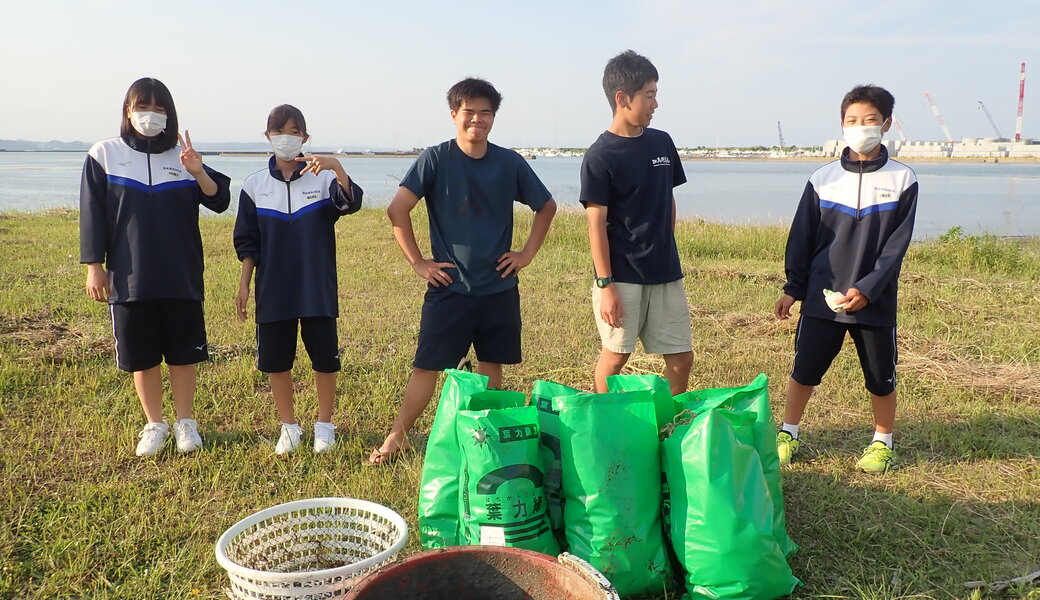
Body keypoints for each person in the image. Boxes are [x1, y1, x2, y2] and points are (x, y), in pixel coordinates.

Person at [368, 78, 557, 465]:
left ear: (493, 118)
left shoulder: (509, 162)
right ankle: (397, 436)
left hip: (499, 287)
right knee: (427, 366)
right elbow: (397, 210)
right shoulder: (435, 159)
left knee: (491, 365)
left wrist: (526, 254)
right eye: (468, 111)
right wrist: (418, 262)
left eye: (485, 112)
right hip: (449, 288)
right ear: (454, 115)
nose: (477, 119)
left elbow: (546, 207)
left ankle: (482, 438)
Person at [80, 77, 231, 456]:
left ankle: (185, 424)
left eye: (160, 109)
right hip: (129, 278)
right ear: (128, 112)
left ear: (171, 115)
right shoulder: (104, 154)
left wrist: (198, 171)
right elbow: (92, 215)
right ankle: (155, 424)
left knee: (184, 353)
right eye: (142, 107)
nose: (151, 115)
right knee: (142, 357)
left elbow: (219, 200)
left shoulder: (182, 157)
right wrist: (93, 266)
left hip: (180, 274)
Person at [774, 84, 918, 474]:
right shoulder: (822, 178)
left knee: (880, 375)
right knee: (805, 368)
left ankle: (882, 441)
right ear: (842, 125)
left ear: (886, 124)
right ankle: (788, 433)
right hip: (823, 298)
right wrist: (793, 288)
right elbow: (801, 238)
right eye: (852, 121)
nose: (861, 127)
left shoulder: (902, 179)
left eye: (870, 120)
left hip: (875, 301)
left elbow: (895, 248)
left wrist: (868, 289)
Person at [234, 105, 363, 454]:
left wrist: (337, 167)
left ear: (305, 138)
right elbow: (249, 242)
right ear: (268, 136)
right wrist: (244, 284)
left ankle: (324, 424)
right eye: (279, 131)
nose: (286, 138)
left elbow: (349, 203)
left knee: (324, 357)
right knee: (278, 360)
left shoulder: (322, 180)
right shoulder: (254, 186)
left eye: (293, 131)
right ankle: (288, 426)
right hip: (273, 287)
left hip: (316, 285)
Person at [580, 50, 693, 395]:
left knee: (681, 357)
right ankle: (604, 422)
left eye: (656, 94)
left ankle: (672, 426)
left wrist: (662, 245)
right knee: (616, 357)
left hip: (665, 271)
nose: (655, 103)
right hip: (622, 275)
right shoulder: (600, 156)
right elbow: (596, 225)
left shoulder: (661, 142)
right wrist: (606, 285)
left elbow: (667, 199)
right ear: (622, 98)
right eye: (649, 95)